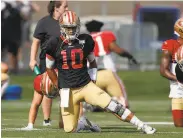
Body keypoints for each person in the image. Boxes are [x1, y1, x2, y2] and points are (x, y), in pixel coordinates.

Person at [45, 10, 156, 134]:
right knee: (69, 129)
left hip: (85, 85)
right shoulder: (53, 43)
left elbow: (92, 62)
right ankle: (84, 123)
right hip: (67, 90)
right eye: (68, 28)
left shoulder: (85, 40)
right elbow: (49, 67)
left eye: (73, 28)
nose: (71, 31)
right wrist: (56, 84)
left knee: (113, 106)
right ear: (61, 27)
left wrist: (93, 80)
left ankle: (141, 125)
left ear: (78, 27)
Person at [28, 0, 68, 127]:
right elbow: (35, 42)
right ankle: (46, 120)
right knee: (47, 88)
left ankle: (65, 121)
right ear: (56, 8)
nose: (67, 9)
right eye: (65, 6)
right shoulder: (44, 22)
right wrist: (32, 59)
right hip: (47, 61)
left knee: (65, 90)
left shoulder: (68, 21)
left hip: (64, 61)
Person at [85, 20, 137, 108]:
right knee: (124, 104)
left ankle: (93, 104)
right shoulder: (106, 35)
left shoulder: (83, 39)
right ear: (100, 28)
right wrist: (129, 56)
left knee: (91, 98)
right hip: (108, 73)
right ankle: (114, 101)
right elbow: (118, 50)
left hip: (91, 75)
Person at [160, 18, 183, 127]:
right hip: (178, 90)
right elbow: (163, 71)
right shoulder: (170, 44)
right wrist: (179, 79)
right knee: (179, 124)